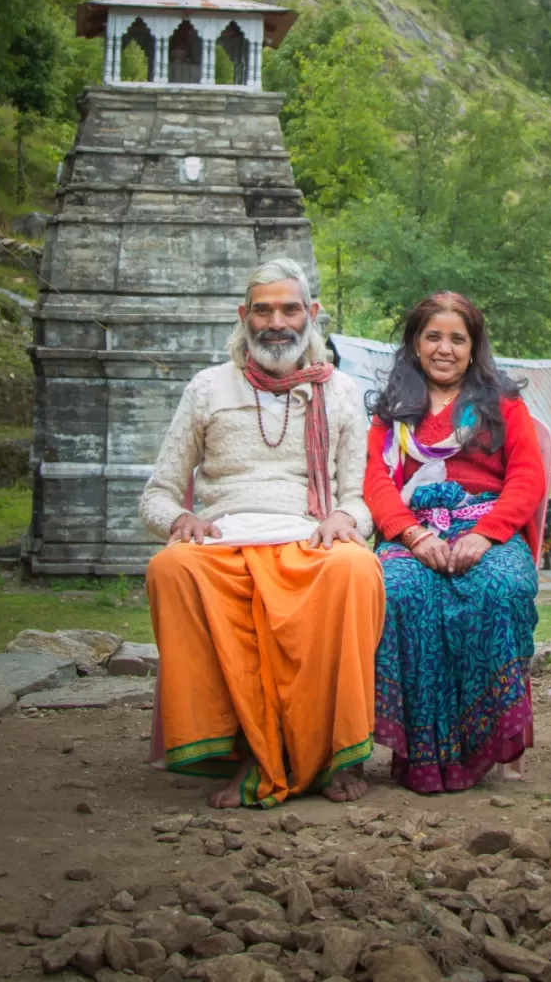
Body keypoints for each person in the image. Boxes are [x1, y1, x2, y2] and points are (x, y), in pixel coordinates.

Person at [141, 257, 384, 808]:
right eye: (264, 309)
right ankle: (241, 749)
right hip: (224, 541)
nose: (277, 322)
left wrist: (346, 520)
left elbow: (358, 495)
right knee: (170, 567)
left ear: (312, 314)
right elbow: (157, 494)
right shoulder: (207, 388)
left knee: (355, 567)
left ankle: (332, 754)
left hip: (307, 539)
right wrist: (182, 520)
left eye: (290, 308)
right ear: (243, 316)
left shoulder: (341, 391)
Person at [363, 291, 545, 794]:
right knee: (397, 590)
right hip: (414, 530)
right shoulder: (394, 411)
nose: (445, 349)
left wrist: (486, 535)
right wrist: (412, 534)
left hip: (487, 529)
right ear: (415, 344)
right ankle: (422, 751)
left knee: (497, 589)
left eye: (457, 339)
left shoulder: (503, 405)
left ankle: (489, 740)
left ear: (474, 347)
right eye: (433, 336)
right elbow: (376, 481)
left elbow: (528, 478)